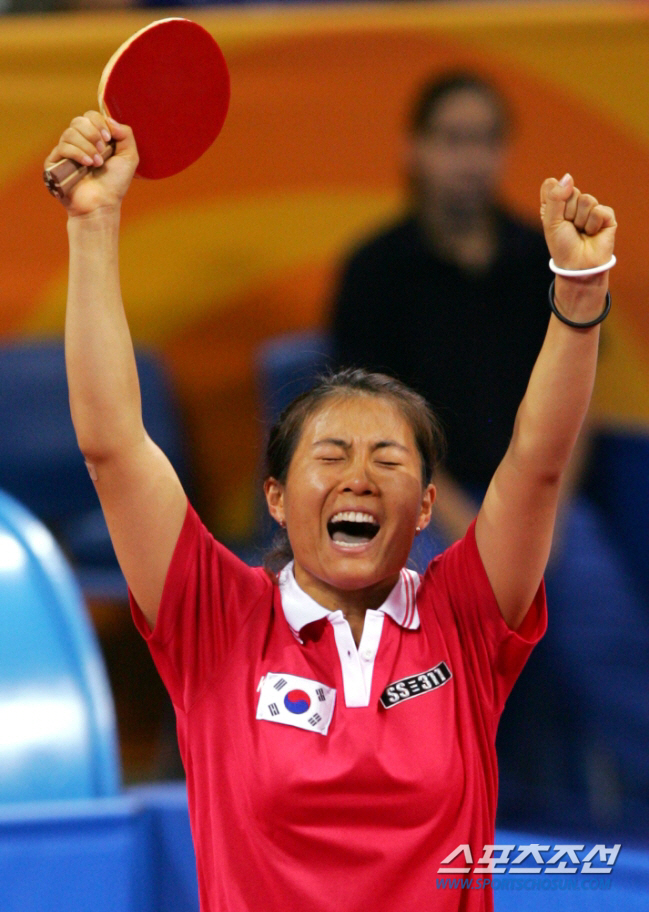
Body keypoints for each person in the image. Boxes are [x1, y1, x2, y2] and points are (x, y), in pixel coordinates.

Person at [46, 109, 616, 911]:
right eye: (329, 456)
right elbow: (112, 445)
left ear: (423, 508)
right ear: (275, 499)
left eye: (386, 459)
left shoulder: (465, 618)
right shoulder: (214, 619)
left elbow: (535, 466)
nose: (357, 476)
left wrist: (579, 293)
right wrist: (94, 220)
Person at [330, 70, 649, 829]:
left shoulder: (540, 261)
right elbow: (371, 424)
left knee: (602, 620)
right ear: (416, 151)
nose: (468, 159)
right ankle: (411, 826)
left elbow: (576, 405)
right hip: (422, 512)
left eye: (482, 141)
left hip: (545, 507)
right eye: (451, 140)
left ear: (502, 152)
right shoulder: (373, 271)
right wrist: (464, 516)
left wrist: (543, 512)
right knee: (405, 638)